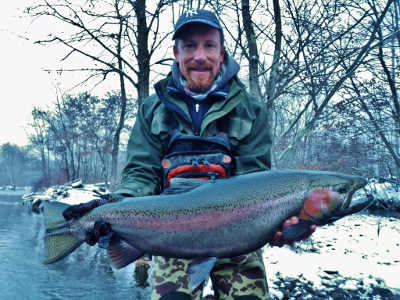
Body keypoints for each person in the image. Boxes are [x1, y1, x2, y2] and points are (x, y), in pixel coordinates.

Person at [63, 9, 315, 300]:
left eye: (209, 45)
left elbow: (255, 179)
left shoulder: (251, 109)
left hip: (239, 236)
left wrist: (278, 222)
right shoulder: (152, 108)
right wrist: (115, 206)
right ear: (176, 52)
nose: (199, 55)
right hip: (173, 235)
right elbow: (141, 172)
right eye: (189, 46)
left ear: (222, 53)